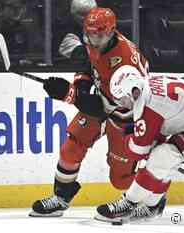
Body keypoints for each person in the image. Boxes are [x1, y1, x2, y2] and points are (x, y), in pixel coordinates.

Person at [29, 7, 150, 217]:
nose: (93, 39)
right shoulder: (99, 39)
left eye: (98, 34)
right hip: (105, 100)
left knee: (120, 179)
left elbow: (102, 106)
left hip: (125, 116)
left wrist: (69, 93)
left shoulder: (124, 65)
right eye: (90, 34)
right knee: (72, 145)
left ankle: (151, 197)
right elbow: (90, 66)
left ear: (112, 31)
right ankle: (61, 197)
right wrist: (81, 85)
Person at [95, 65, 184, 223]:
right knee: (163, 155)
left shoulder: (146, 105)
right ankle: (152, 206)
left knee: (163, 157)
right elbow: (162, 124)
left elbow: (137, 152)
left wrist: (129, 138)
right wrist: (143, 134)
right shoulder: (148, 85)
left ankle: (128, 203)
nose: (123, 104)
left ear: (132, 92)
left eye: (123, 99)